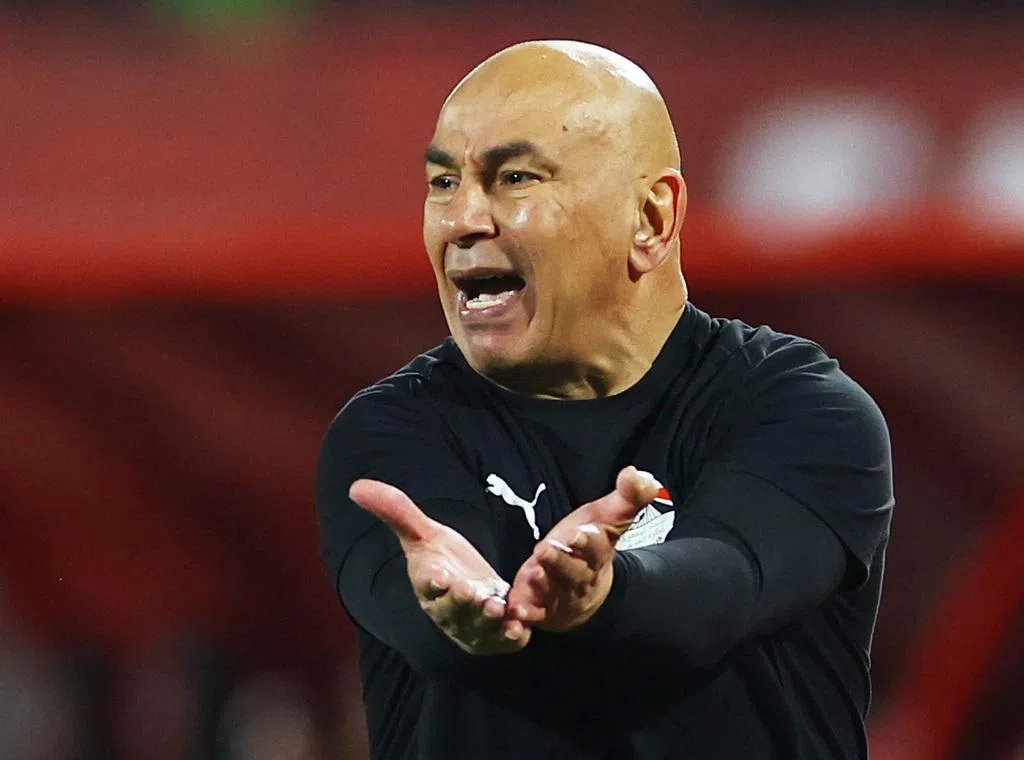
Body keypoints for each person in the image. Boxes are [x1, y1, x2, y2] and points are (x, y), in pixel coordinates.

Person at [316, 40, 893, 760]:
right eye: (442, 182)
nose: (461, 220)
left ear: (651, 218)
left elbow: (727, 581)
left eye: (514, 177)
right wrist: (461, 612)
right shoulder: (390, 433)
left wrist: (602, 595)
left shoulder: (800, 412)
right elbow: (430, 612)